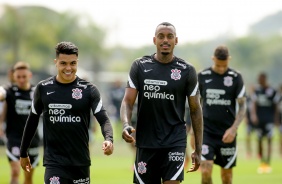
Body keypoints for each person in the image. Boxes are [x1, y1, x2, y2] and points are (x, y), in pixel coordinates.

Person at [120, 22, 203, 184]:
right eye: (161, 36)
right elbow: (127, 101)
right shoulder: (139, 66)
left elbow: (195, 110)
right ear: (154, 40)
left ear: (176, 40)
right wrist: (125, 124)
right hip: (146, 142)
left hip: (174, 141)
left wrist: (198, 149)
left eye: (170, 36)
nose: (165, 40)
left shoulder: (187, 70)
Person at [19, 41, 114, 183]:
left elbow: (103, 118)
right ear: (56, 62)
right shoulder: (43, 88)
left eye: (73, 63)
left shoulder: (89, 90)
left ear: (77, 62)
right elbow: (32, 120)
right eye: (63, 63)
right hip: (54, 162)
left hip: (80, 162)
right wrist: (23, 152)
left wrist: (109, 139)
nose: (68, 68)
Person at [198, 45, 246, 184]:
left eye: (224, 65)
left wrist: (233, 129)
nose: (221, 69)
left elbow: (243, 106)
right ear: (213, 59)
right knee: (206, 171)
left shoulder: (236, 77)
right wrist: (193, 132)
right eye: (218, 65)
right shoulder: (202, 76)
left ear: (229, 60)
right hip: (206, 132)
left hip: (227, 133)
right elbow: (194, 106)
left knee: (227, 176)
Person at [0, 61, 40, 184]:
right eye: (18, 77)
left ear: (30, 75)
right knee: (15, 171)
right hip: (14, 138)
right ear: (14, 76)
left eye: (24, 76)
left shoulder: (37, 92)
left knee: (28, 177)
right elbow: (1, 94)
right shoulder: (9, 90)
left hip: (32, 139)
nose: (21, 80)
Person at [250, 72, 280, 173]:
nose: (259, 80)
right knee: (259, 140)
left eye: (260, 79)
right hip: (259, 120)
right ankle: (262, 160)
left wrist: (276, 119)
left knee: (269, 140)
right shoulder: (257, 91)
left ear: (264, 79)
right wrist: (253, 115)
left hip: (269, 120)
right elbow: (253, 104)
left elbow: (276, 106)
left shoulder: (272, 91)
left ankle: (268, 161)